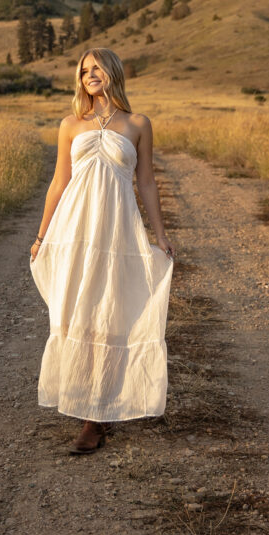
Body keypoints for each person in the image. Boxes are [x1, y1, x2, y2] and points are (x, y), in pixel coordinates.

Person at [30, 47, 176, 454]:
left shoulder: (138, 123)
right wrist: (42, 237)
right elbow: (59, 182)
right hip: (74, 229)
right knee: (78, 311)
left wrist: (160, 235)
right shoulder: (70, 124)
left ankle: (96, 418)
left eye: (96, 68)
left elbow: (146, 182)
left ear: (112, 72)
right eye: (83, 70)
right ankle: (85, 402)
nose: (89, 75)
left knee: (110, 311)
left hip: (116, 230)